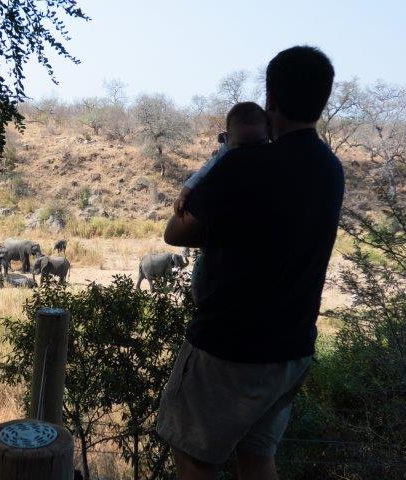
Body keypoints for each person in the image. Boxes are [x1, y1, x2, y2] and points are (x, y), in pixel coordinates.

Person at [158, 46, 344, 480]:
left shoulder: (243, 165)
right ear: (324, 100)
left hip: (230, 348)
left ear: (271, 100)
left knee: (192, 456)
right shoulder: (330, 169)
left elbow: (175, 233)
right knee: (257, 458)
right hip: (292, 348)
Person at [173, 102, 269, 304]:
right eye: (242, 147)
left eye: (257, 145)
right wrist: (186, 190)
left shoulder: (272, 166)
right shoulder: (223, 166)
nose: (249, 153)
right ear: (226, 140)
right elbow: (205, 171)